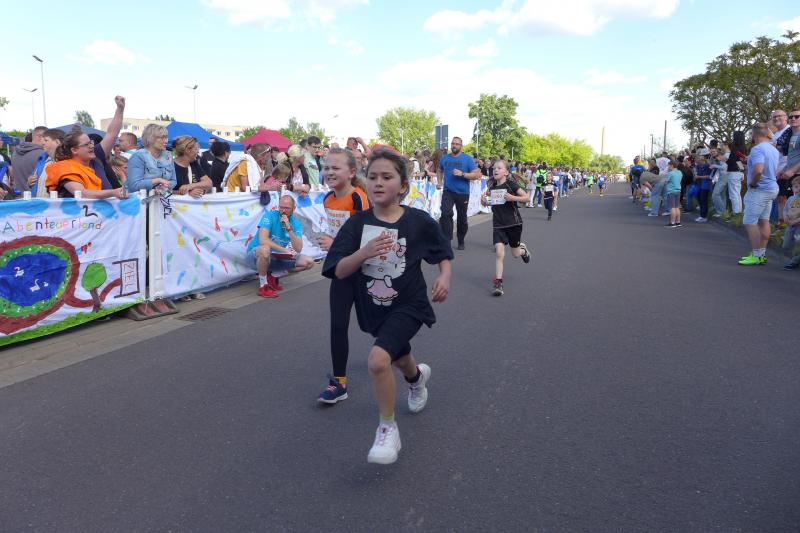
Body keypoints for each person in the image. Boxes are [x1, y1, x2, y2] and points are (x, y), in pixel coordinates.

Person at [322, 148, 452, 465]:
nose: (378, 183)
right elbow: (339, 270)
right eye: (373, 177)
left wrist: (444, 276)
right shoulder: (356, 226)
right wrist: (363, 252)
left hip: (410, 303)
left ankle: (387, 429)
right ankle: (416, 379)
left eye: (387, 177)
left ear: (403, 186)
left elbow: (441, 251)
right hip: (374, 306)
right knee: (399, 356)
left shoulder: (418, 221)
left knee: (379, 360)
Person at [316, 148, 370, 404]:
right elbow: (337, 232)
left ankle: (397, 355)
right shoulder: (328, 198)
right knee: (338, 325)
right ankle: (339, 382)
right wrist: (331, 242)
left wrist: (335, 242)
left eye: (335, 168)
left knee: (374, 323)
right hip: (341, 270)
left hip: (366, 271)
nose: (329, 172)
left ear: (351, 172)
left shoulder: (359, 197)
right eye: (326, 168)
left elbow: (369, 236)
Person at [247, 195, 314, 298]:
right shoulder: (269, 216)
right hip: (256, 255)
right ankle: (263, 286)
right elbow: (263, 240)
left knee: (309, 262)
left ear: (294, 208)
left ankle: (274, 275)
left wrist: (289, 228)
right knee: (265, 249)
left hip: (276, 256)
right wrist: (284, 250)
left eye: (287, 208)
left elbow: (298, 248)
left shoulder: (296, 223)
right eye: (281, 207)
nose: (283, 211)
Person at [480, 159, 531, 296]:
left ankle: (523, 250)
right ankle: (498, 283)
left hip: (514, 223)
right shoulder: (492, 188)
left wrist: (513, 198)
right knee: (499, 253)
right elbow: (493, 203)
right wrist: (484, 202)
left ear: (506, 172)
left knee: (515, 254)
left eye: (499, 168)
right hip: (498, 225)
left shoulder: (511, 185)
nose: (495, 170)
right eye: (494, 168)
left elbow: (526, 198)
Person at [45, 126, 126, 199]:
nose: (92, 146)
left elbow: (112, 134)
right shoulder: (64, 168)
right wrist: (113, 193)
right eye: (86, 144)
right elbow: (81, 193)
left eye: (91, 142)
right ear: (74, 150)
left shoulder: (90, 166)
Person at [738, 123, 780, 266]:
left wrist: (753, 184)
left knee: (749, 221)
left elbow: (758, 170)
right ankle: (761, 254)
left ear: (754, 134)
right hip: (771, 188)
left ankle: (756, 255)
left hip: (760, 189)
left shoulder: (757, 149)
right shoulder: (773, 149)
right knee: (764, 221)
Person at [437, 137, 481, 250]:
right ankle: (447, 240)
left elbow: (476, 175)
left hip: (463, 193)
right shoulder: (445, 158)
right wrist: (439, 182)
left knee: (462, 218)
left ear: (461, 146)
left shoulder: (468, 159)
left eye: (457, 144)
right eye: (453, 143)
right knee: (445, 214)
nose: (454, 145)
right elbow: (439, 170)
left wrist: (463, 174)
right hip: (448, 191)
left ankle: (461, 239)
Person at [126, 124, 176, 193]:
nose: (166, 141)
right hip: (142, 199)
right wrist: (158, 180)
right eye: (162, 138)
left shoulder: (168, 155)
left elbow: (173, 180)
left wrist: (163, 188)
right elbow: (134, 185)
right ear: (150, 138)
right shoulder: (138, 156)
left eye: (166, 137)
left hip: (161, 198)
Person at [31, 128, 63, 198]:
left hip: (54, 204)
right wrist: (30, 183)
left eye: (46, 140)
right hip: (38, 203)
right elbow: (38, 182)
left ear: (57, 142)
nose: (43, 143)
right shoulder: (42, 160)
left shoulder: (65, 163)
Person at [781, 177, 800, 269]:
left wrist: (796, 221)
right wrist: (786, 218)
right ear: (792, 188)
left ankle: (794, 262)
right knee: (786, 245)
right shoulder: (791, 199)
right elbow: (785, 209)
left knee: (798, 244)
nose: (798, 189)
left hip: (798, 226)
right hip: (790, 225)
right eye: (796, 187)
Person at [664, 159, 683, 227]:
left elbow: (666, 181)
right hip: (678, 190)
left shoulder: (670, 173)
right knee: (677, 207)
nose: (668, 167)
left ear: (672, 165)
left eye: (668, 166)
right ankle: (678, 222)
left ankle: (672, 223)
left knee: (672, 207)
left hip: (671, 191)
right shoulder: (680, 172)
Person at [693, 156, 712, 222]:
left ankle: (703, 216)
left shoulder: (707, 166)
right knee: (700, 200)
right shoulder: (697, 166)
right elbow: (696, 174)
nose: (697, 162)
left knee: (703, 200)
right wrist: (695, 177)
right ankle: (701, 215)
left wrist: (699, 177)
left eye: (698, 161)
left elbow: (709, 176)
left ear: (702, 160)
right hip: (698, 184)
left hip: (705, 185)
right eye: (696, 161)